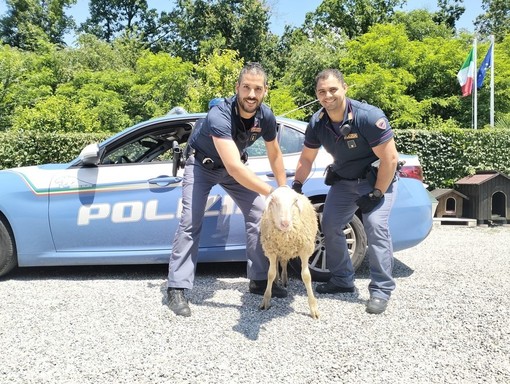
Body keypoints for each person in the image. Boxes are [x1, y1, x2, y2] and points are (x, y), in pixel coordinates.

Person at [167, 62, 288, 317]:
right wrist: (271, 192)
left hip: (235, 168)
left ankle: (258, 279)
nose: (251, 95)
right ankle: (176, 287)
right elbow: (233, 166)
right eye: (246, 88)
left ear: (265, 90)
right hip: (203, 165)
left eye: (257, 89)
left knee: (258, 214)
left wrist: (284, 189)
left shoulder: (265, 116)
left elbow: (274, 153)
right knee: (190, 221)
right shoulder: (219, 115)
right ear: (237, 88)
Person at [291, 68, 399, 315]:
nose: (327, 95)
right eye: (321, 91)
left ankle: (381, 290)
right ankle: (342, 280)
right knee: (329, 224)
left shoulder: (368, 116)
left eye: (332, 89)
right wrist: (296, 186)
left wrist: (376, 194)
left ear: (344, 88)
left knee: (374, 226)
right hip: (344, 181)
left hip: (378, 180)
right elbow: (306, 159)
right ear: (316, 95)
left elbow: (390, 159)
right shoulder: (317, 122)